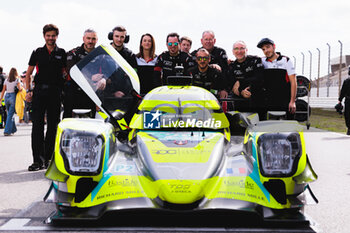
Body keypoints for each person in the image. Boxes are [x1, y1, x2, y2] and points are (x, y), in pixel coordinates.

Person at [25, 24, 67, 171]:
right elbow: (28, 73)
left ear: (57, 36)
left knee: (53, 127)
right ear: (44, 36)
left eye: (53, 35)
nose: (51, 38)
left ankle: (48, 159)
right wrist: (29, 90)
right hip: (39, 93)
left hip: (55, 94)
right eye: (48, 35)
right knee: (37, 126)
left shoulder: (62, 53)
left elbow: (66, 73)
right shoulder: (37, 52)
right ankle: (37, 160)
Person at [257, 38, 297, 119]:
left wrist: (292, 101)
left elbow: (293, 82)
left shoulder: (286, 60)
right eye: (263, 49)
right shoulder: (261, 60)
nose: (266, 50)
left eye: (268, 47)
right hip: (267, 101)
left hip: (284, 101)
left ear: (274, 46)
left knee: (287, 128)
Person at [63, 29, 98, 118]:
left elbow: (107, 73)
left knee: (90, 125)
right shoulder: (73, 53)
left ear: (97, 40)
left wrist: (104, 80)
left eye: (93, 39)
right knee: (69, 123)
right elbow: (72, 72)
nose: (90, 41)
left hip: (91, 95)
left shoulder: (101, 55)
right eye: (88, 38)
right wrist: (91, 78)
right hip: (73, 94)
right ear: (83, 39)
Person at [228, 40, 265, 119]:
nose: (239, 51)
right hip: (240, 103)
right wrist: (241, 92)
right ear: (233, 52)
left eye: (242, 48)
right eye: (236, 49)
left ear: (246, 50)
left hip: (257, 101)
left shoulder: (255, 60)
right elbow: (233, 85)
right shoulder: (231, 66)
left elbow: (259, 78)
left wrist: (241, 82)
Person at [0, 68, 22, 136]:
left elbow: (3, 90)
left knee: (10, 114)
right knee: (10, 114)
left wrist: (0, 99)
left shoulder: (6, 80)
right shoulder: (17, 80)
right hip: (13, 97)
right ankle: (7, 131)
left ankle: (13, 129)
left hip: (7, 97)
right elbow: (20, 89)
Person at [338, 66, 350, 135]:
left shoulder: (346, 81)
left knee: (347, 115)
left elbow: (342, 91)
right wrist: (340, 100)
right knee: (347, 115)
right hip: (348, 100)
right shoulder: (346, 81)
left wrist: (340, 100)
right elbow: (343, 91)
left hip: (348, 101)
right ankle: (349, 128)